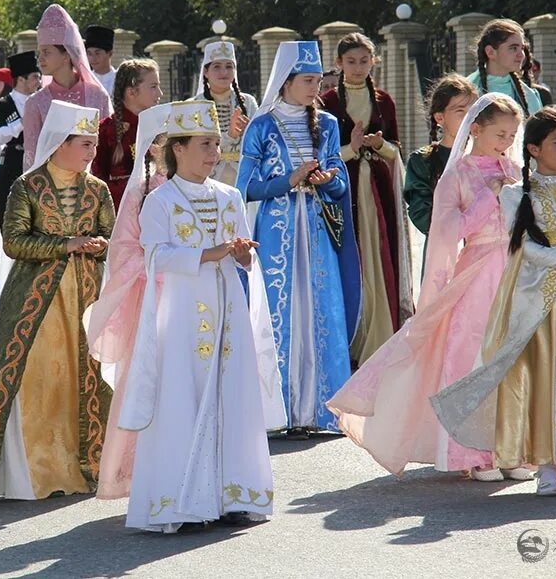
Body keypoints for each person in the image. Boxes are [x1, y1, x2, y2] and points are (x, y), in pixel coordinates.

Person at [329, 93, 531, 481]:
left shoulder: (516, 171)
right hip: (477, 273)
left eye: (511, 134)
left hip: (515, 271)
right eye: (499, 133)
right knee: (472, 357)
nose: (506, 141)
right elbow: (447, 232)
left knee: (512, 358)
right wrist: (487, 197)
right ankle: (472, 452)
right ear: (476, 129)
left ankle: (512, 446)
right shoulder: (459, 175)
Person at [432, 106, 556, 497]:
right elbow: (528, 250)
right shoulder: (517, 193)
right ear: (533, 149)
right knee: (541, 381)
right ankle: (547, 469)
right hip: (536, 302)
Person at [118, 100, 284, 532]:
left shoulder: (229, 196)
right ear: (178, 149)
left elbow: (241, 255)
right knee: (183, 397)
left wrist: (244, 257)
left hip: (228, 311)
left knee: (232, 395)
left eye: (216, 143)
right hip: (183, 318)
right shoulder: (160, 201)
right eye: (205, 144)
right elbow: (156, 258)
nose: (214, 152)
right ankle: (183, 499)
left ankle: (233, 493)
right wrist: (212, 253)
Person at [0, 100, 115, 499]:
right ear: (60, 144)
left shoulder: (98, 190)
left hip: (86, 297)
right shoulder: (27, 186)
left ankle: (86, 466)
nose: (91, 152)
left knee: (85, 378)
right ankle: (35, 473)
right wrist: (65, 244)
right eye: (84, 144)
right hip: (36, 304)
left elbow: (112, 238)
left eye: (93, 145)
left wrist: (100, 245)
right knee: (37, 381)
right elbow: (14, 241)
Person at [237, 41, 361, 437]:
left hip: (318, 230)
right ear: (286, 81)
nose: (315, 87)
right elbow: (244, 188)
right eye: (308, 80)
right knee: (279, 313)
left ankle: (320, 409)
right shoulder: (261, 126)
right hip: (276, 233)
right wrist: (286, 181)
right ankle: (280, 410)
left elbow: (341, 182)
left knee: (320, 309)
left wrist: (329, 182)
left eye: (318, 80)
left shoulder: (327, 124)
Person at [87, 102, 170, 499]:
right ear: (153, 148)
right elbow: (124, 250)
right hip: (153, 300)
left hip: (194, 299)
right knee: (150, 379)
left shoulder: (203, 190)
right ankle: (141, 470)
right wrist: (163, 267)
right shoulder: (141, 193)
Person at [321, 32, 413, 368]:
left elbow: (395, 149)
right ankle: (351, 336)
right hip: (343, 189)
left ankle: (381, 332)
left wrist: (377, 145)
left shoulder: (385, 101)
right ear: (338, 64)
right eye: (351, 61)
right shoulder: (327, 103)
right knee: (350, 253)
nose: (358, 67)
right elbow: (324, 155)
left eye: (364, 60)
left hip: (376, 189)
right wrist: (351, 148)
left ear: (373, 61)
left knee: (377, 252)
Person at [21, 4, 112, 171]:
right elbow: (32, 159)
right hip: (51, 191)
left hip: (93, 188)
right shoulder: (35, 103)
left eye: (46, 52)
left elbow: (108, 148)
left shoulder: (97, 96)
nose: (40, 58)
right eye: (39, 53)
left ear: (66, 55)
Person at [404, 74, 477, 238]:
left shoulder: (486, 156)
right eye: (460, 111)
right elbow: (420, 213)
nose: (469, 119)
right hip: (444, 249)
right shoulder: (422, 161)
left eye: (473, 112)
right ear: (440, 117)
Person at [92, 58, 163, 210]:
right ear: (131, 92)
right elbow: (98, 181)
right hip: (120, 211)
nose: (160, 93)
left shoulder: (160, 128)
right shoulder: (105, 130)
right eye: (153, 86)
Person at [191, 40, 259, 185]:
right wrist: (230, 136)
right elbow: (194, 148)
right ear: (205, 72)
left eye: (229, 66)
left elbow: (260, 142)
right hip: (209, 178)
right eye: (217, 67)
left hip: (244, 178)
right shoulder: (195, 105)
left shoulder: (248, 102)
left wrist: (250, 133)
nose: (224, 72)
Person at [0, 51, 40, 222]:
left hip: (37, 160)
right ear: (21, 79)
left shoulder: (42, 100)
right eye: (35, 77)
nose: (38, 82)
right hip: (12, 161)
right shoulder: (3, 105)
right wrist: (20, 124)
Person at [467, 19, 543, 117]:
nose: (521, 55)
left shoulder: (530, 96)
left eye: (522, 48)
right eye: (513, 48)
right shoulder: (467, 91)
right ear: (490, 52)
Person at [85, 25, 117, 96]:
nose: (93, 58)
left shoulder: (119, 80)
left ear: (110, 54)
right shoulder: (85, 80)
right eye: (89, 54)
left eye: (97, 53)